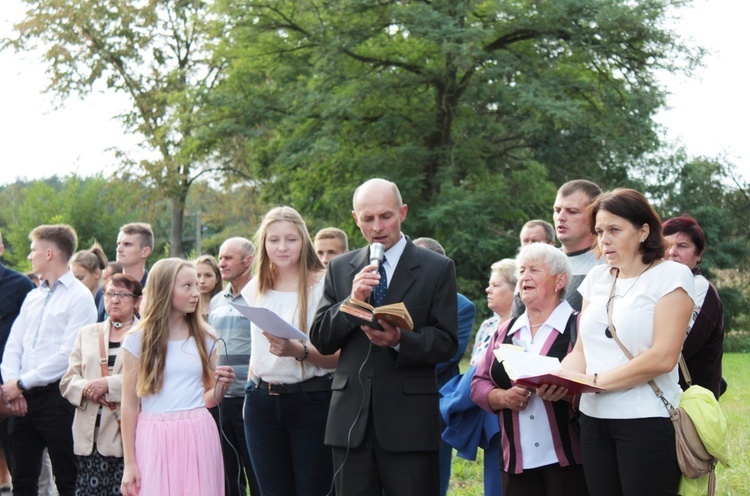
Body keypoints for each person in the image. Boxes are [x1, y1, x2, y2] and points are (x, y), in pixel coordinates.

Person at [311, 178, 459, 496]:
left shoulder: (437, 268)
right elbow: (322, 340)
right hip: (351, 423)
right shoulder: (339, 268)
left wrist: (400, 341)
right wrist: (351, 302)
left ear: (403, 212)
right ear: (355, 219)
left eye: (386, 216)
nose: (378, 227)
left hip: (410, 423)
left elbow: (447, 342)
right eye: (368, 219)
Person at [560, 188, 696, 496]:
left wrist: (596, 381)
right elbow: (582, 349)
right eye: (598, 231)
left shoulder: (672, 276)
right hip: (593, 420)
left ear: (643, 231)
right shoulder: (597, 279)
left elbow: (663, 357)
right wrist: (563, 379)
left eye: (614, 230)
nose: (603, 239)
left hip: (646, 419)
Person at [471, 243, 587, 495]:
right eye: (521, 271)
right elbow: (478, 384)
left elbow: (595, 384)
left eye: (534, 270)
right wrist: (502, 397)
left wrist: (567, 393)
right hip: (516, 464)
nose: (524, 277)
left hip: (569, 462)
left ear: (560, 281)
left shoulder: (578, 325)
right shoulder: (504, 330)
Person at [241, 207, 337, 496]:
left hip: (313, 399)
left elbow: (343, 356)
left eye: (290, 239)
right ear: (264, 243)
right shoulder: (256, 286)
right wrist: (249, 394)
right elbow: (256, 348)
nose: (282, 247)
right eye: (274, 240)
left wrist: (299, 350)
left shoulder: (324, 284)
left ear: (303, 241)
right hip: (261, 401)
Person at [120, 258, 234, 496]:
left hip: (198, 433)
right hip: (153, 436)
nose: (196, 292)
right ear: (164, 289)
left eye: (196, 285)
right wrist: (130, 463)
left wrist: (223, 386)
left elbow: (209, 399)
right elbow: (129, 405)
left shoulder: (207, 337)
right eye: (187, 286)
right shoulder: (136, 339)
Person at [1, 224, 98, 495]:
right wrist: (13, 385)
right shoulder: (33, 296)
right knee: (23, 481)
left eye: (33, 250)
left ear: (49, 253)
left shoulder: (79, 298)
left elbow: (68, 355)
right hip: (21, 401)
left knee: (67, 479)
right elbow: (13, 346)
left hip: (59, 399)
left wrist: (20, 383)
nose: (30, 256)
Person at [60, 274, 143, 495]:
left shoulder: (146, 334)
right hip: (88, 437)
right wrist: (88, 389)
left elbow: (150, 378)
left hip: (125, 438)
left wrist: (108, 385)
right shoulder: (87, 333)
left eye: (123, 295)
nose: (115, 300)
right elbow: (68, 380)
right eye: (109, 293)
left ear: (137, 302)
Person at [413, 237, 476, 496]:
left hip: (433, 402)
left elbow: (446, 355)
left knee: (431, 476)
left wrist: (395, 353)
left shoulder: (461, 305)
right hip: (391, 402)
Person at [209, 237, 259, 496]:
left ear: (247, 261)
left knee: (256, 473)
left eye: (228, 258)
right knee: (228, 475)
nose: (222, 263)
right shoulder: (216, 301)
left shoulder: (261, 295)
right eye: (220, 257)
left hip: (250, 398)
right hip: (220, 399)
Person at [663, 215, 724, 398]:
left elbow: (674, 348)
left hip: (689, 408)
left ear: (699, 255)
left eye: (682, 246)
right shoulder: (661, 286)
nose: (672, 252)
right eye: (667, 245)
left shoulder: (698, 288)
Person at [0, 231, 36, 494]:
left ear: (1, 249)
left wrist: (18, 384)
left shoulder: (21, 285)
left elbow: (33, 339)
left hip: (8, 391)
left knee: (20, 470)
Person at [552, 180, 603, 311]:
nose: (561, 217)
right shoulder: (539, 263)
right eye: (557, 210)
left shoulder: (609, 265)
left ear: (594, 216)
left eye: (572, 211)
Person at [71, 243, 109, 322]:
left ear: (96, 273)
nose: (76, 283)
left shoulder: (106, 300)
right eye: (73, 279)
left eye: (80, 278)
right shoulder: (76, 299)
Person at [116, 223, 153, 288]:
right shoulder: (107, 290)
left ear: (145, 252)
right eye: (118, 244)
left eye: (127, 244)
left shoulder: (155, 291)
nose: (118, 249)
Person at [194, 255, 223, 320]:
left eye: (208, 275)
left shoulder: (225, 304)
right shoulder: (185, 305)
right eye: (198, 276)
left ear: (217, 278)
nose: (202, 281)